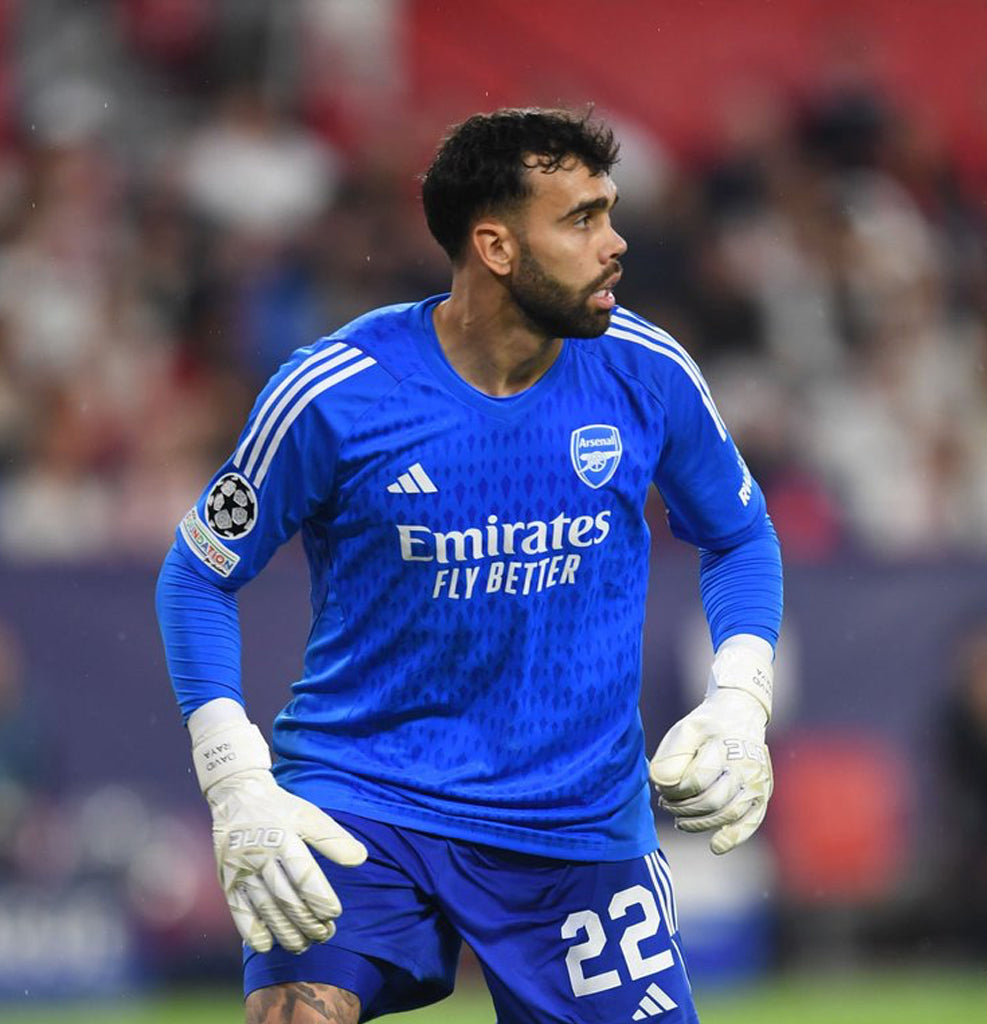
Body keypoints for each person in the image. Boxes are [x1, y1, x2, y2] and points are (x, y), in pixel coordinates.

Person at [156, 108, 783, 1024]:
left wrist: (741, 699)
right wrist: (233, 776)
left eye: (609, 212)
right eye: (581, 220)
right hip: (368, 792)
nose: (614, 244)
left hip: (576, 817)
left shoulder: (646, 370)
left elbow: (740, 536)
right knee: (296, 1015)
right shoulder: (335, 393)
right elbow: (197, 573)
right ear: (495, 246)